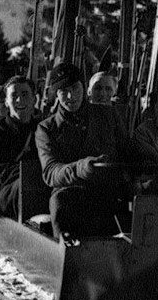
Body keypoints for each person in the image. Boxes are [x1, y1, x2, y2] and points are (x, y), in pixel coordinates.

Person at [36, 62, 134, 239]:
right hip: (71, 194)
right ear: (56, 94)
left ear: (83, 86)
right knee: (59, 203)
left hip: (109, 191)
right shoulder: (47, 129)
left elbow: (127, 151)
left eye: (75, 88)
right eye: (63, 91)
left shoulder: (108, 115)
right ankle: (68, 257)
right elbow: (51, 172)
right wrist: (82, 168)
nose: (70, 95)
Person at [0, 76, 41, 219]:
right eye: (14, 96)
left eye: (24, 94)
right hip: (12, 193)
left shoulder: (44, 128)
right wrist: (35, 172)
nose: (19, 100)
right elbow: (2, 172)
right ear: (7, 102)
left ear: (34, 99)